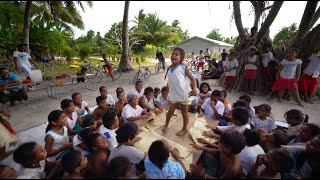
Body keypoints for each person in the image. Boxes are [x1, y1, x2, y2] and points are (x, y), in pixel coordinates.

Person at [162, 47, 197, 136]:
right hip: (174, 94)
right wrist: (167, 91)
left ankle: (184, 129)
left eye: (176, 54)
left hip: (185, 94)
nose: (173, 55)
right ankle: (166, 124)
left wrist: (194, 88)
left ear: (181, 58)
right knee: (170, 111)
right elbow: (170, 81)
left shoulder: (183, 68)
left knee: (184, 112)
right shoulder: (169, 68)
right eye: (172, 54)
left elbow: (193, 79)